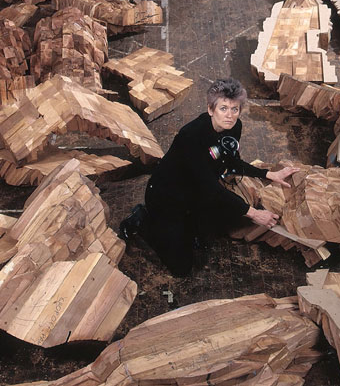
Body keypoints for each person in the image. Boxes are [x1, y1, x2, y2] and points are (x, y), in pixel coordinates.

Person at [120, 78, 298, 276]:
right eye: (223, 109)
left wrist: (268, 174)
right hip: (167, 196)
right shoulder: (191, 136)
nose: (230, 116)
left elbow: (230, 161)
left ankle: (187, 227)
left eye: (235, 109)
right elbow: (210, 188)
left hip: (194, 191)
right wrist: (254, 213)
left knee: (205, 233)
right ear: (210, 109)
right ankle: (142, 219)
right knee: (181, 269)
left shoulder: (234, 127)